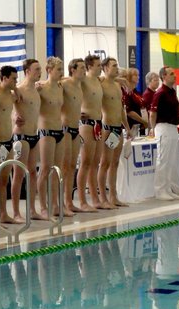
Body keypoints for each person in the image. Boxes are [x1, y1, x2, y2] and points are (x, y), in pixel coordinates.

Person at [11, 59, 42, 222]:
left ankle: (32, 209)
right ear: (27, 71)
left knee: (32, 173)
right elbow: (7, 106)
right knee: (18, 174)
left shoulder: (37, 89)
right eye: (36, 69)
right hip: (21, 136)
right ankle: (16, 212)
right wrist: (14, 117)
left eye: (40, 69)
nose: (40, 71)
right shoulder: (19, 90)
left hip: (34, 136)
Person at [99, 57, 131, 208]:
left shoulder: (118, 85)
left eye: (117, 65)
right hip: (107, 129)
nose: (117, 68)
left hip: (118, 129)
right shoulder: (101, 83)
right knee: (105, 163)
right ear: (105, 68)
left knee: (115, 163)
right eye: (113, 66)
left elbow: (121, 109)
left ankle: (113, 196)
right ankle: (103, 198)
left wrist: (127, 127)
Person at [148, 66, 179, 201]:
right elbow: (152, 113)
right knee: (162, 160)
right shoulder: (160, 93)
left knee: (170, 161)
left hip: (172, 128)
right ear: (164, 77)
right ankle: (160, 189)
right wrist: (153, 128)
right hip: (163, 127)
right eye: (171, 74)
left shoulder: (172, 91)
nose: (175, 76)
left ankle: (167, 188)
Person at [37, 56, 66, 218]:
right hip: (46, 132)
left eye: (62, 69)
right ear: (49, 70)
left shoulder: (61, 87)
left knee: (57, 170)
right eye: (58, 70)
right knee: (45, 169)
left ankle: (55, 204)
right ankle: (42, 206)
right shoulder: (41, 88)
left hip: (59, 131)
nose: (61, 73)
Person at [78, 54, 104, 211]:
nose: (100, 67)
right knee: (85, 162)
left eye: (101, 65)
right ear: (89, 67)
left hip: (98, 124)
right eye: (98, 65)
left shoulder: (98, 81)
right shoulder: (83, 81)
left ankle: (95, 198)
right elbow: (65, 86)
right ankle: (82, 201)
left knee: (95, 162)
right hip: (86, 124)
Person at [61, 58, 86, 213]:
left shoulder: (80, 86)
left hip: (76, 128)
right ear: (73, 70)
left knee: (72, 167)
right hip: (64, 130)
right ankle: (61, 202)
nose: (84, 70)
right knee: (64, 167)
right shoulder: (64, 84)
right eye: (82, 68)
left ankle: (69, 202)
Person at [0, 65, 19, 223]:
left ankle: (3, 213)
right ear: (4, 78)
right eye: (13, 79)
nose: (16, 82)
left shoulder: (12, 95)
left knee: (4, 179)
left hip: (8, 140)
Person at [124, 68, 147, 135]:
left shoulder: (137, 93)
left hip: (141, 125)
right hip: (132, 125)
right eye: (135, 75)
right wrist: (143, 121)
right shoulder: (127, 93)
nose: (138, 77)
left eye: (138, 75)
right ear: (129, 76)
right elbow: (129, 112)